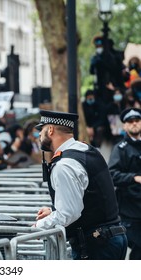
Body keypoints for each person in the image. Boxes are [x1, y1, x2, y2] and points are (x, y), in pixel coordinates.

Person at [35, 110, 127, 260]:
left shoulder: (64, 164)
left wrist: (39, 227)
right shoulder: (86, 150)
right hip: (111, 238)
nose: (39, 135)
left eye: (41, 129)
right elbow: (88, 197)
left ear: (50, 130)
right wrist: (53, 211)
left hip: (96, 245)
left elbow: (69, 214)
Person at [108, 108, 141, 259]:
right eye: (130, 122)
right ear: (125, 126)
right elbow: (112, 175)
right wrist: (133, 178)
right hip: (130, 210)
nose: (134, 124)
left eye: (137, 120)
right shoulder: (120, 149)